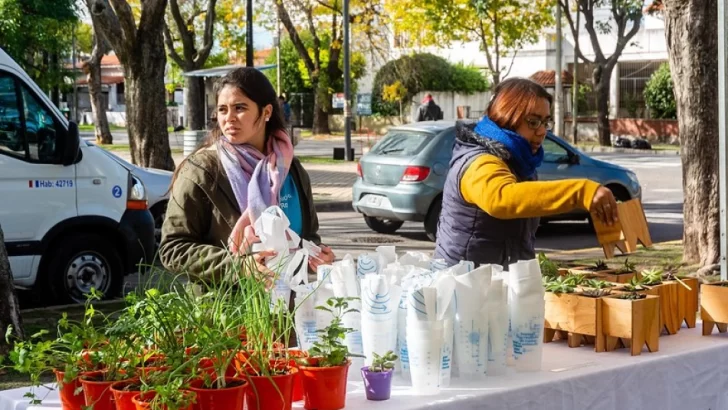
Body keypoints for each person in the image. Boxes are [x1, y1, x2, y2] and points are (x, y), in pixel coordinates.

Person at [159, 68, 335, 282]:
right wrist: (238, 268)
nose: (229, 118)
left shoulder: (291, 168)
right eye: (223, 110)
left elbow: (308, 237)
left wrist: (317, 256)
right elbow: (173, 249)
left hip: (289, 307)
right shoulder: (201, 170)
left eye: (239, 108)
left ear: (266, 112)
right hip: (228, 310)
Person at [434, 78, 618, 268]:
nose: (542, 131)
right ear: (506, 117)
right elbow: (502, 198)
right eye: (533, 122)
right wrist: (581, 192)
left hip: (496, 283)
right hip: (462, 285)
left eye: (545, 122)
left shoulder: (518, 161)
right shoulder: (480, 161)